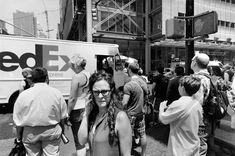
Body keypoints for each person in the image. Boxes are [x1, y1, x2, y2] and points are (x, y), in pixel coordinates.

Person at [13, 67, 68, 156]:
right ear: (46, 78)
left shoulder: (23, 95)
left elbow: (18, 121)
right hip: (52, 131)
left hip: (30, 134)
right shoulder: (57, 93)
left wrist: (19, 137)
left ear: (32, 79)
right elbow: (63, 117)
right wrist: (62, 130)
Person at [78, 71, 132, 156]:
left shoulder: (120, 117)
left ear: (112, 91)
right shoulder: (92, 115)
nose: (100, 96)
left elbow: (126, 154)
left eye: (104, 91)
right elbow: (81, 140)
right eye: (96, 92)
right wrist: (86, 114)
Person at [159, 75, 203, 156]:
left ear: (182, 87)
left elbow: (163, 119)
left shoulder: (178, 104)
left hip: (179, 148)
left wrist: (161, 107)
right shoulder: (197, 103)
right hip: (193, 145)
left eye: (179, 85)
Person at [190, 53, 214, 156]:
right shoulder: (210, 77)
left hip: (199, 120)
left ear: (195, 63)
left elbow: (196, 103)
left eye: (192, 61)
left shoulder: (199, 79)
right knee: (203, 144)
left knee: (198, 147)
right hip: (208, 117)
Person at [122, 62, 148, 156]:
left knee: (127, 136)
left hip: (131, 114)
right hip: (141, 113)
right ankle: (143, 154)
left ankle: (127, 153)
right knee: (142, 134)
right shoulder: (143, 81)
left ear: (129, 70)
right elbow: (146, 95)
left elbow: (124, 102)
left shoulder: (128, 84)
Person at [67, 54, 90, 156]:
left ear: (77, 65)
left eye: (72, 65)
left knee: (79, 142)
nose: (71, 67)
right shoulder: (88, 74)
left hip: (77, 110)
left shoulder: (77, 77)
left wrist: (67, 114)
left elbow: (72, 98)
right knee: (87, 137)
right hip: (88, 107)